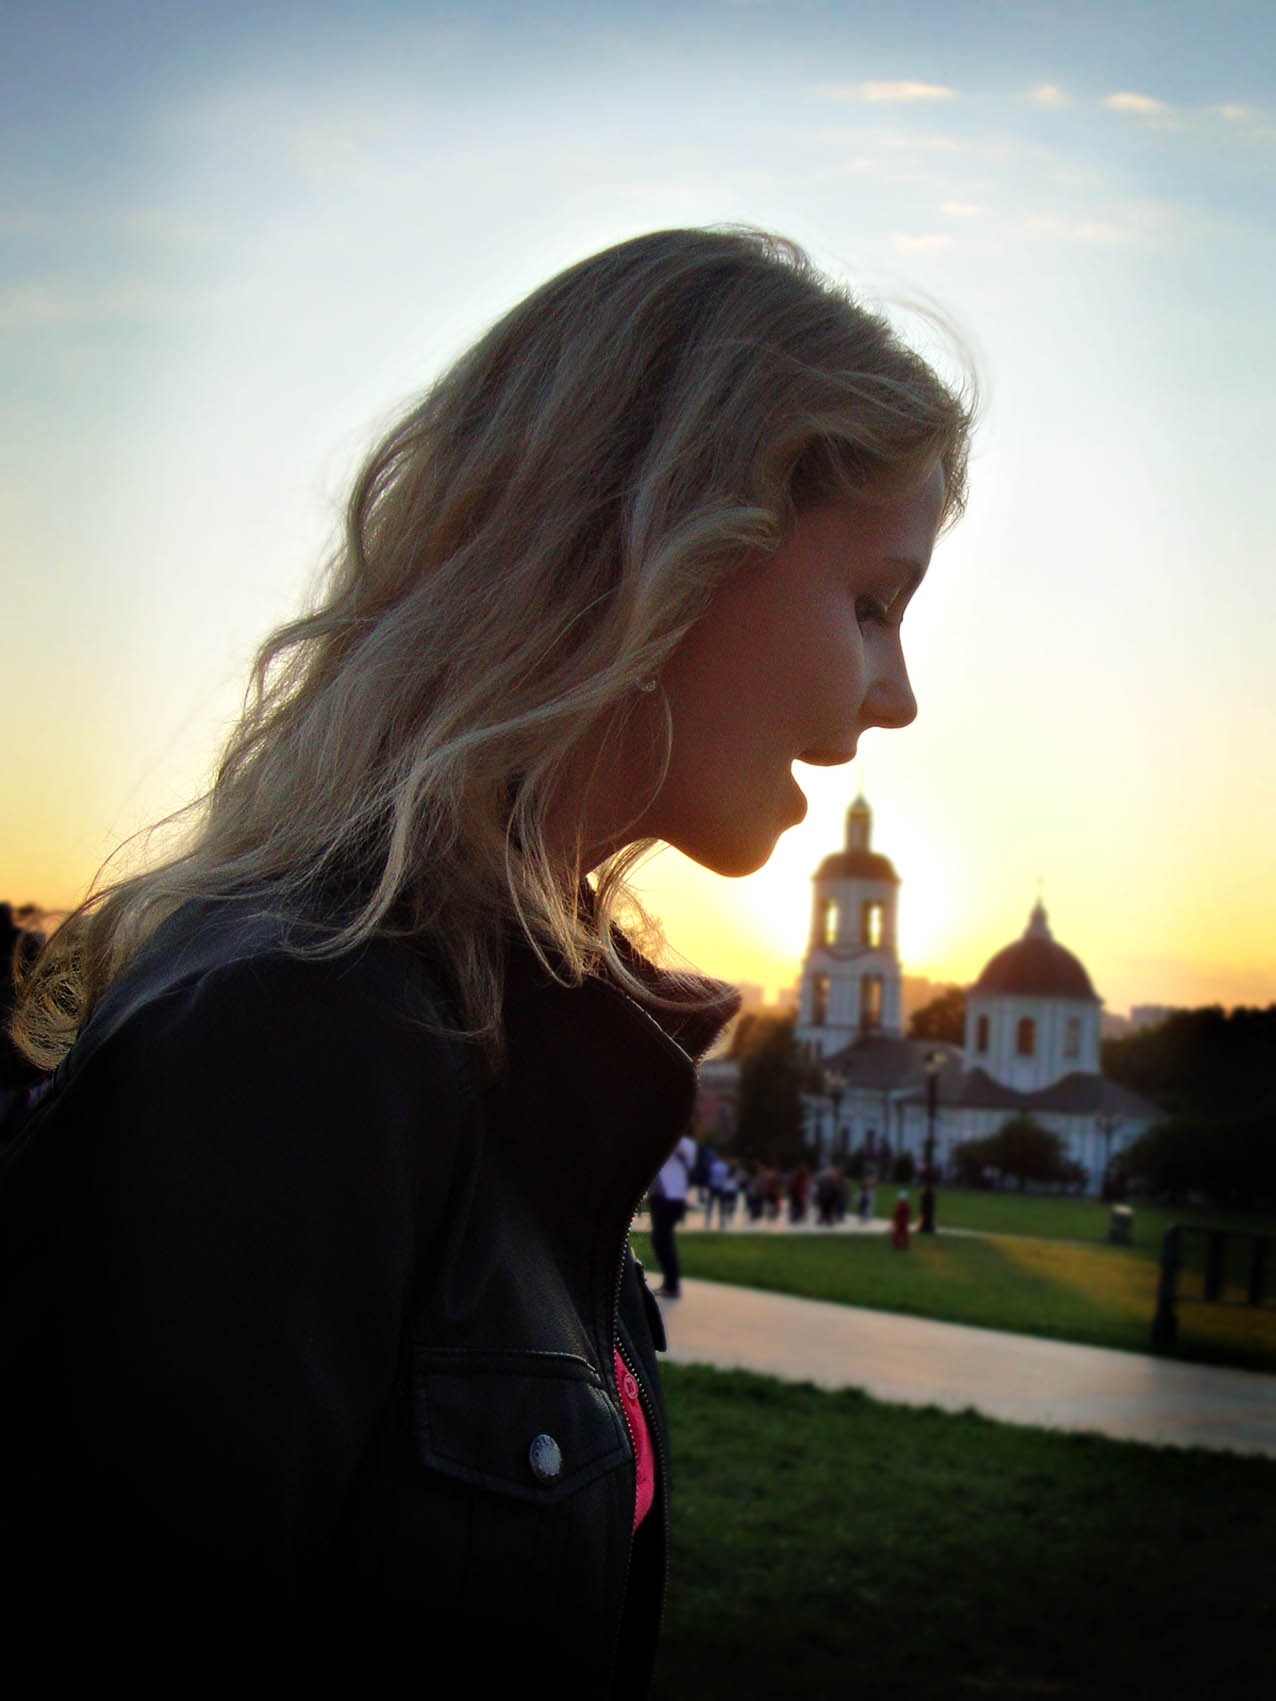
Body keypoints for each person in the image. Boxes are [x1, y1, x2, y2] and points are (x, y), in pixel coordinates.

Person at [1, 227, 971, 1687]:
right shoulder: (299, 1036)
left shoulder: (512, 1029)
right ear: (666, 552)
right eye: (872, 605)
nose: (896, 695)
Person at [648, 1128, 697, 1296]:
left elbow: (688, 1163)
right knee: (660, 1239)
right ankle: (669, 1283)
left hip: (672, 1197)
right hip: (658, 1195)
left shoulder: (685, 1144)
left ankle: (672, 1285)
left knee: (662, 1239)